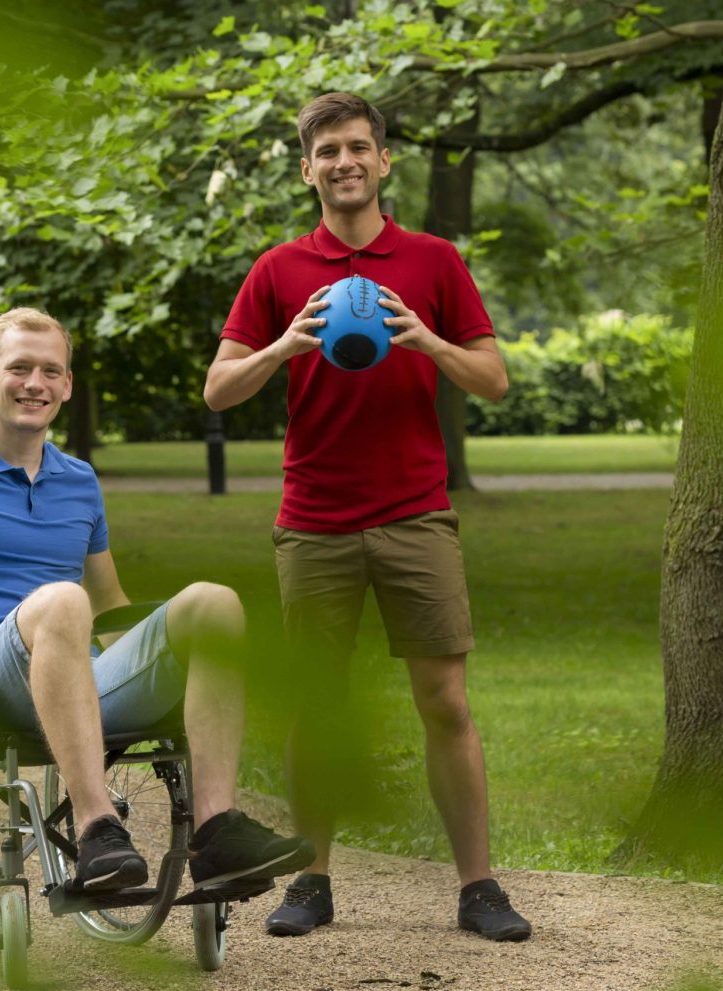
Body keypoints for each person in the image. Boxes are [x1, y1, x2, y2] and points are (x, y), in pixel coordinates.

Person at [0, 306, 314, 894]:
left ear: (68, 385)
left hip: (75, 678)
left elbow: (109, 607)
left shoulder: (78, 479)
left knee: (214, 603)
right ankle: (97, 827)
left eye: (50, 371)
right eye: (19, 368)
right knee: (60, 598)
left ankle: (216, 833)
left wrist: (171, 675)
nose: (35, 384)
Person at [203, 93, 531, 941]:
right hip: (313, 518)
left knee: (446, 701)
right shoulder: (278, 271)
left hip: (416, 513)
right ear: (306, 169)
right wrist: (282, 347)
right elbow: (218, 388)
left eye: (358, 148)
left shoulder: (433, 261)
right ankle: (311, 882)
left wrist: (425, 339)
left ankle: (480, 888)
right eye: (328, 152)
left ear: (385, 162)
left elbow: (493, 381)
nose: (344, 162)